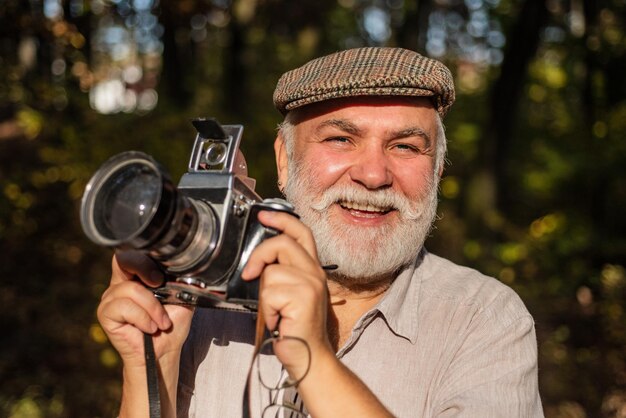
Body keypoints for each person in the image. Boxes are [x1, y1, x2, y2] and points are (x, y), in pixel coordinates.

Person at [97, 47, 544, 417]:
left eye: (405, 146)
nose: (373, 175)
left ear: (437, 173)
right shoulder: (204, 303)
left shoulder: (483, 319)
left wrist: (312, 355)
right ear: (284, 162)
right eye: (340, 139)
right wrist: (153, 362)